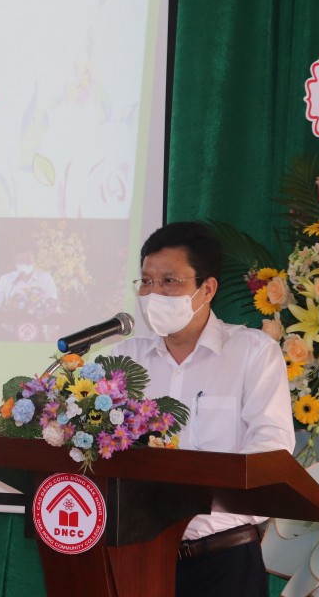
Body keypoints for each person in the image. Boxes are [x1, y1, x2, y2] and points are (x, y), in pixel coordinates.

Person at [112, 221, 294, 597]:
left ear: (207, 289)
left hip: (222, 563)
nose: (153, 293)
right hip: (134, 559)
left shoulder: (252, 353)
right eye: (146, 282)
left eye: (169, 281)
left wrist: (187, 513)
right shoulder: (123, 359)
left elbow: (270, 454)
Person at [0, 250, 59, 315]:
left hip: (38, 324)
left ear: (34, 261)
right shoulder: (6, 279)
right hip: (11, 324)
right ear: (16, 260)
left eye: (28, 261)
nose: (24, 264)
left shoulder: (45, 278)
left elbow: (52, 300)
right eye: (21, 261)